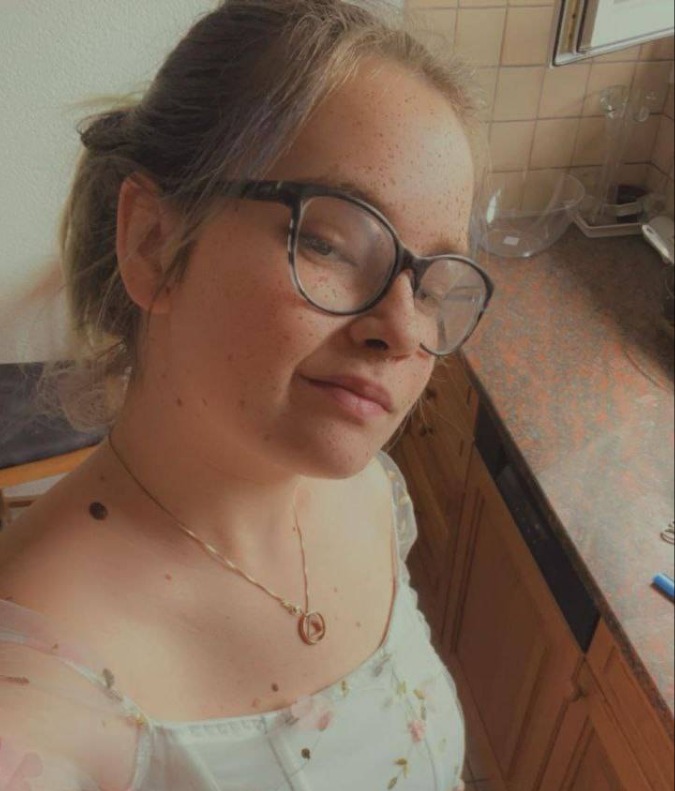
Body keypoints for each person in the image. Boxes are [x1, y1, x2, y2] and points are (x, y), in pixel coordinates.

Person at [0, 1, 493, 788]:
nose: (403, 329)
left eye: (432, 283)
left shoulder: (371, 494)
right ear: (153, 242)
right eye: (330, 241)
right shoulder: (33, 708)